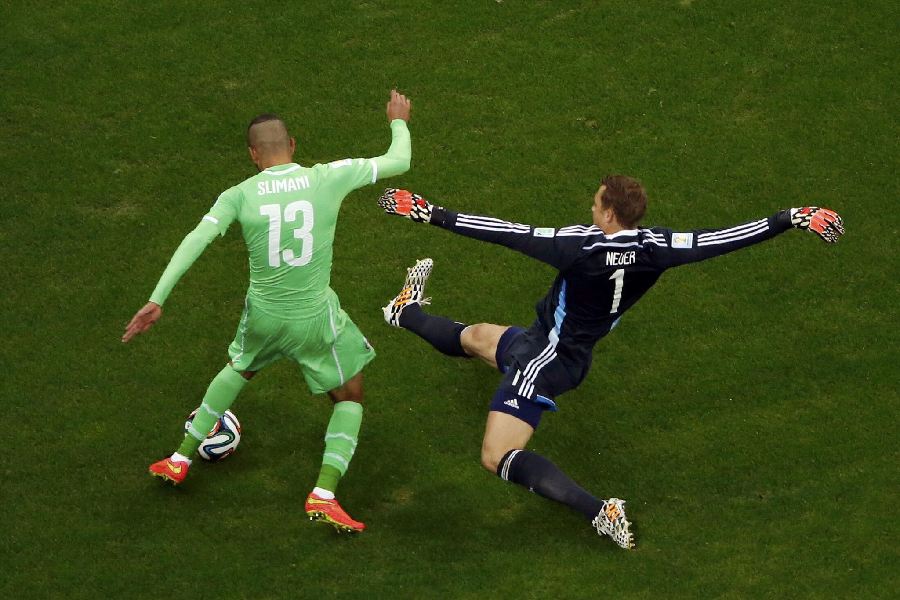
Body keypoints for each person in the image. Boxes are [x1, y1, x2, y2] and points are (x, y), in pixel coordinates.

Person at [376, 178, 843, 549]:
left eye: (597, 202)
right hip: (566, 350)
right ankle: (404, 311)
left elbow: (507, 232)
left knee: (495, 455)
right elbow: (722, 238)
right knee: (478, 337)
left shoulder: (581, 247)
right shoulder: (657, 247)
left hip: (545, 361)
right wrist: (790, 217)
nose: (591, 205)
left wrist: (427, 211)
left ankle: (600, 511)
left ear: (609, 214)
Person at [122, 90, 413, 534]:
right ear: (292, 144)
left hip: (263, 316)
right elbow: (399, 160)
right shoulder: (329, 176)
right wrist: (398, 120)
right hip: (315, 320)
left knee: (239, 368)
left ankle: (179, 458)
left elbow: (194, 240)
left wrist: (158, 298)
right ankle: (324, 494)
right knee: (349, 396)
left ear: (253, 155)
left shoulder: (238, 194)